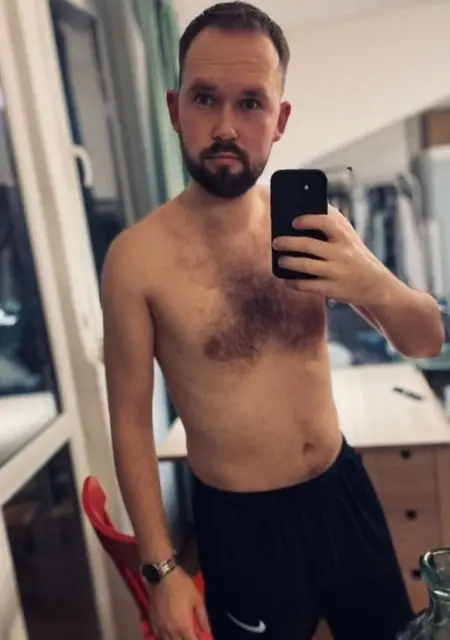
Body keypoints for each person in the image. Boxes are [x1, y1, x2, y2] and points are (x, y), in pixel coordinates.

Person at [101, 3, 445, 639]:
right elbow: (128, 422)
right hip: (242, 526)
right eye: (205, 98)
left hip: (343, 491)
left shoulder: (315, 227)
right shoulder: (135, 260)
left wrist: (372, 282)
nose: (225, 126)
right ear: (175, 109)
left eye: (251, 103)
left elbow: (426, 339)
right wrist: (162, 569)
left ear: (280, 120)